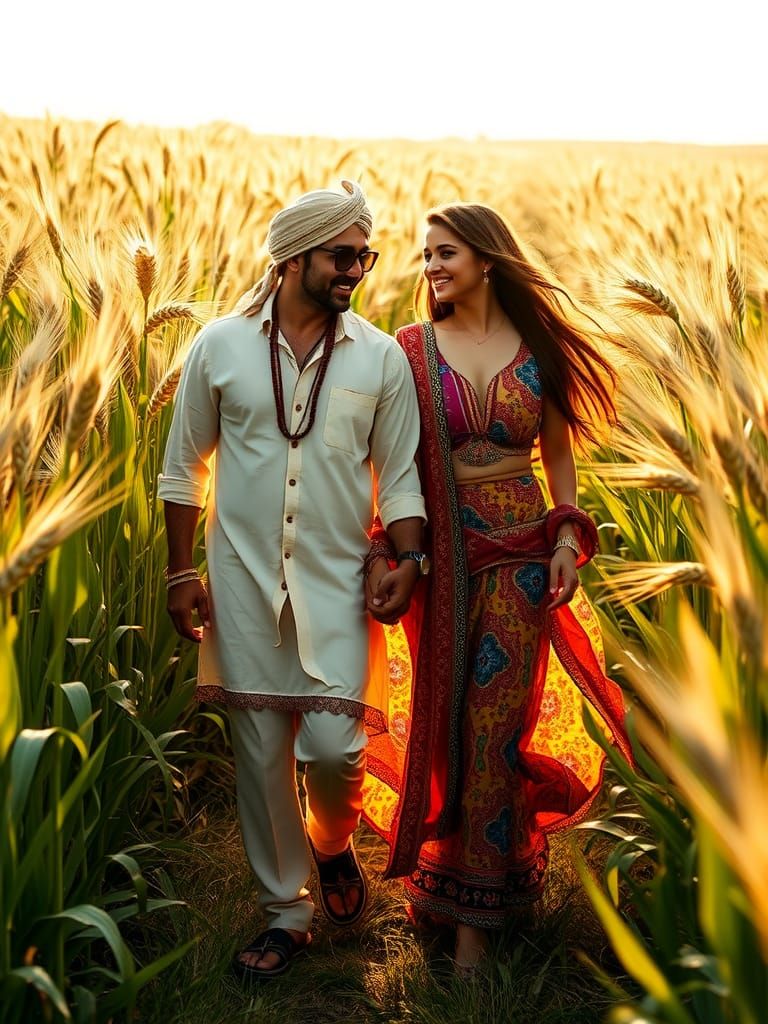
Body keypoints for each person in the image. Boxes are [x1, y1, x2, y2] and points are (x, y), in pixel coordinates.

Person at [157, 180, 427, 981]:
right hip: (240, 583)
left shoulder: (380, 358)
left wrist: (409, 561)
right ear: (292, 257)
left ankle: (334, 842)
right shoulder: (218, 346)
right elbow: (183, 469)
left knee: (338, 749)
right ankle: (286, 914)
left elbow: (402, 477)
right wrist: (180, 573)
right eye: (343, 256)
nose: (357, 270)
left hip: (338, 583)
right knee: (261, 752)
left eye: (365, 256)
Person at [362, 203, 632, 976]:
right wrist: (388, 548)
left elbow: (558, 459)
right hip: (440, 558)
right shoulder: (410, 352)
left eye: (445, 252)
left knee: (492, 727)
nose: (431, 266)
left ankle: (476, 927)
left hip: (519, 555)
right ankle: (446, 888)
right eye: (426, 255)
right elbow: (389, 461)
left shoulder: (536, 352)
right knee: (444, 728)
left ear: (487, 259)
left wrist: (568, 539)